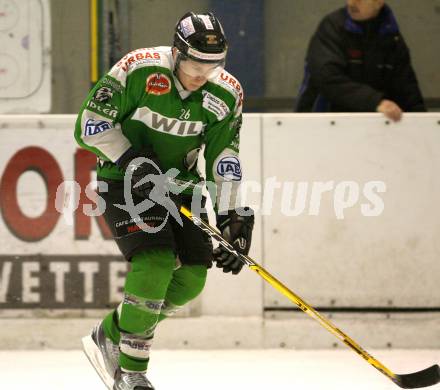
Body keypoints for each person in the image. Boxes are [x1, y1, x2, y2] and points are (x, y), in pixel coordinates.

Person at [75, 12, 254, 390]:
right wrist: (129, 160)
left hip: (181, 187)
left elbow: (225, 157)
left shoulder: (225, 92)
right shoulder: (138, 70)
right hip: (124, 179)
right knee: (154, 262)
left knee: (190, 279)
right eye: (192, 62)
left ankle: (111, 332)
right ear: (176, 52)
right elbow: (89, 124)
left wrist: (232, 213)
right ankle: (131, 372)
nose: (199, 73)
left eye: (211, 64)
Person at [295, 0, 426, 121]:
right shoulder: (332, 27)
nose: (351, 2)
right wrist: (376, 102)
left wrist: (425, 128)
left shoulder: (392, 37)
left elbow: (408, 90)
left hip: (372, 131)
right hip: (320, 124)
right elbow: (327, 78)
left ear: (379, 2)